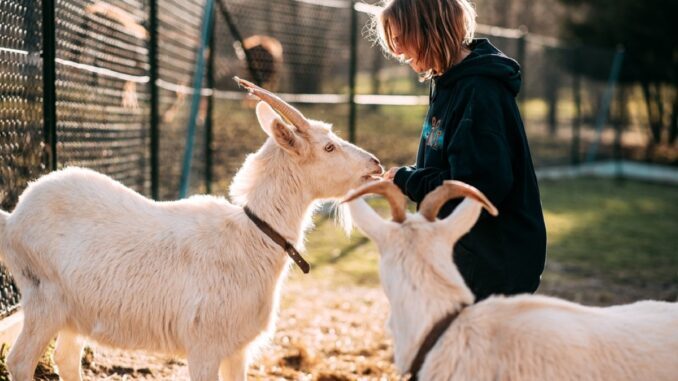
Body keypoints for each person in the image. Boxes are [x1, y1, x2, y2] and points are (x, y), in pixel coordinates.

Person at [372, 0, 547, 301]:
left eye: (401, 38)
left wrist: (409, 180)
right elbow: (452, 165)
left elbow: (477, 189)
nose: (397, 51)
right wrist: (409, 174)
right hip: (465, 253)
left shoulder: (480, 92)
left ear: (429, 30)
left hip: (493, 263)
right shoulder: (447, 82)